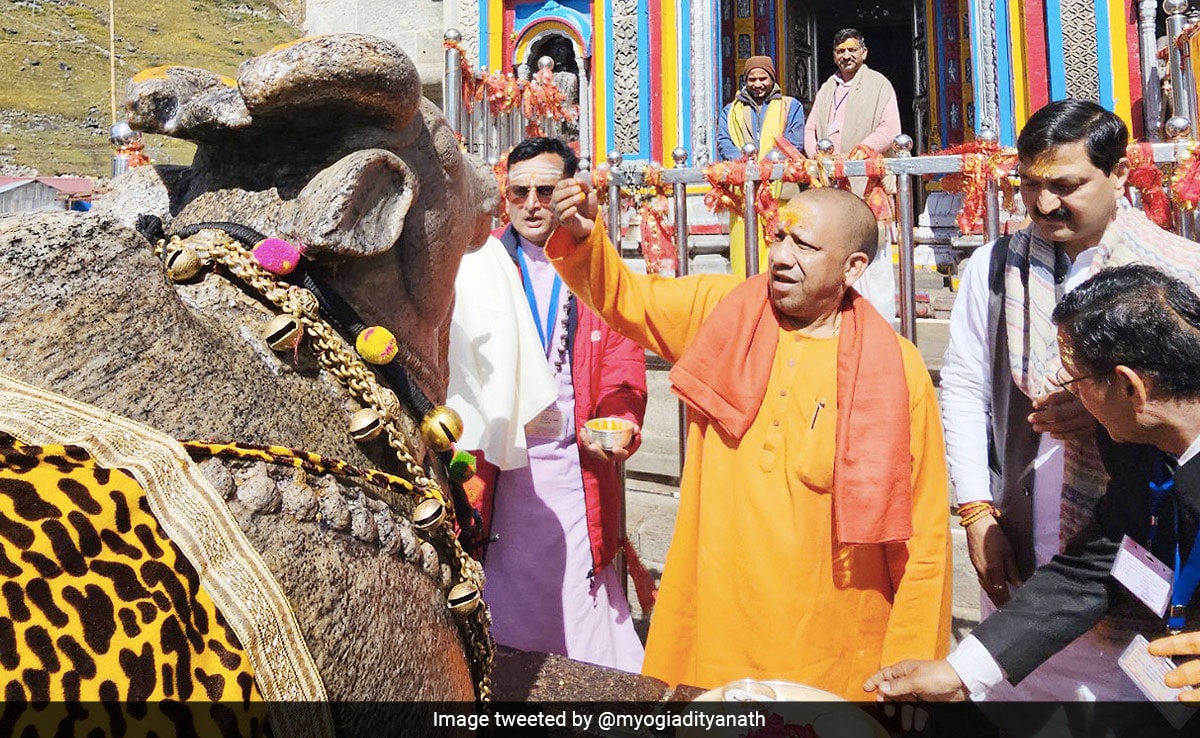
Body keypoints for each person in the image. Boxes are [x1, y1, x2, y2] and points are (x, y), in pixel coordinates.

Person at [544, 180, 952, 699]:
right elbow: (627, 297)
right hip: (715, 635)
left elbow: (923, 537)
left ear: (852, 268)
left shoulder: (896, 368)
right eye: (779, 236)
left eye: (804, 245)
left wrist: (911, 665)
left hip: (833, 652)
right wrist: (584, 239)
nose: (781, 255)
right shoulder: (724, 312)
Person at [865, 101, 1200, 714]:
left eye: (1066, 185)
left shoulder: (1183, 276)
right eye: (1029, 184)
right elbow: (965, 387)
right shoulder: (995, 267)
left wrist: (1111, 418)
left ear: (1120, 174)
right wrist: (975, 511)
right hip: (1041, 536)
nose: (1044, 204)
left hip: (1159, 547)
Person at [447, 137, 648, 672]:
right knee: (502, 602)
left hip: (574, 466)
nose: (532, 203)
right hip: (500, 464)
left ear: (571, 192)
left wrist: (622, 419)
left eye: (545, 190)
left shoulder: (595, 263)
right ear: (503, 196)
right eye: (519, 192)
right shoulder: (474, 263)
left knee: (581, 608)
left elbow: (624, 358)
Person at [804, 28, 902, 321]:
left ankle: (881, 323)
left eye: (852, 50)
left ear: (864, 53)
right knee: (838, 252)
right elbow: (811, 129)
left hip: (866, 182)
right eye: (840, 51)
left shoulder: (878, 84)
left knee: (875, 255)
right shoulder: (827, 87)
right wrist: (817, 157)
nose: (846, 56)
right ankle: (844, 319)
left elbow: (890, 129)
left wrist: (860, 151)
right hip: (833, 183)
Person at [715, 55, 806, 279]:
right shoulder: (731, 111)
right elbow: (723, 140)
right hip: (743, 193)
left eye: (762, 78)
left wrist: (767, 164)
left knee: (779, 247)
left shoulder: (790, 106)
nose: (757, 84)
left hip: (779, 191)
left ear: (772, 78)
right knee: (743, 252)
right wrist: (744, 163)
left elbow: (794, 141)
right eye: (752, 79)